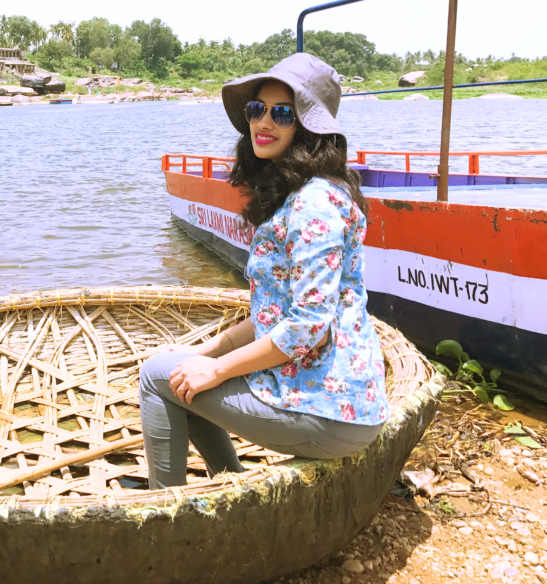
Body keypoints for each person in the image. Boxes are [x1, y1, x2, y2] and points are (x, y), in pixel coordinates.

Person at [138, 53, 388, 489]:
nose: (263, 122)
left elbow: (308, 324)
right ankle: (230, 482)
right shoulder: (301, 194)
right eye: (257, 110)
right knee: (182, 373)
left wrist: (216, 370)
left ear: (308, 127)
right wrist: (208, 354)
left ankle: (162, 518)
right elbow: (275, 314)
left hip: (330, 409)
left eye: (283, 113)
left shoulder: (314, 202)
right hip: (325, 397)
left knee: (156, 376)